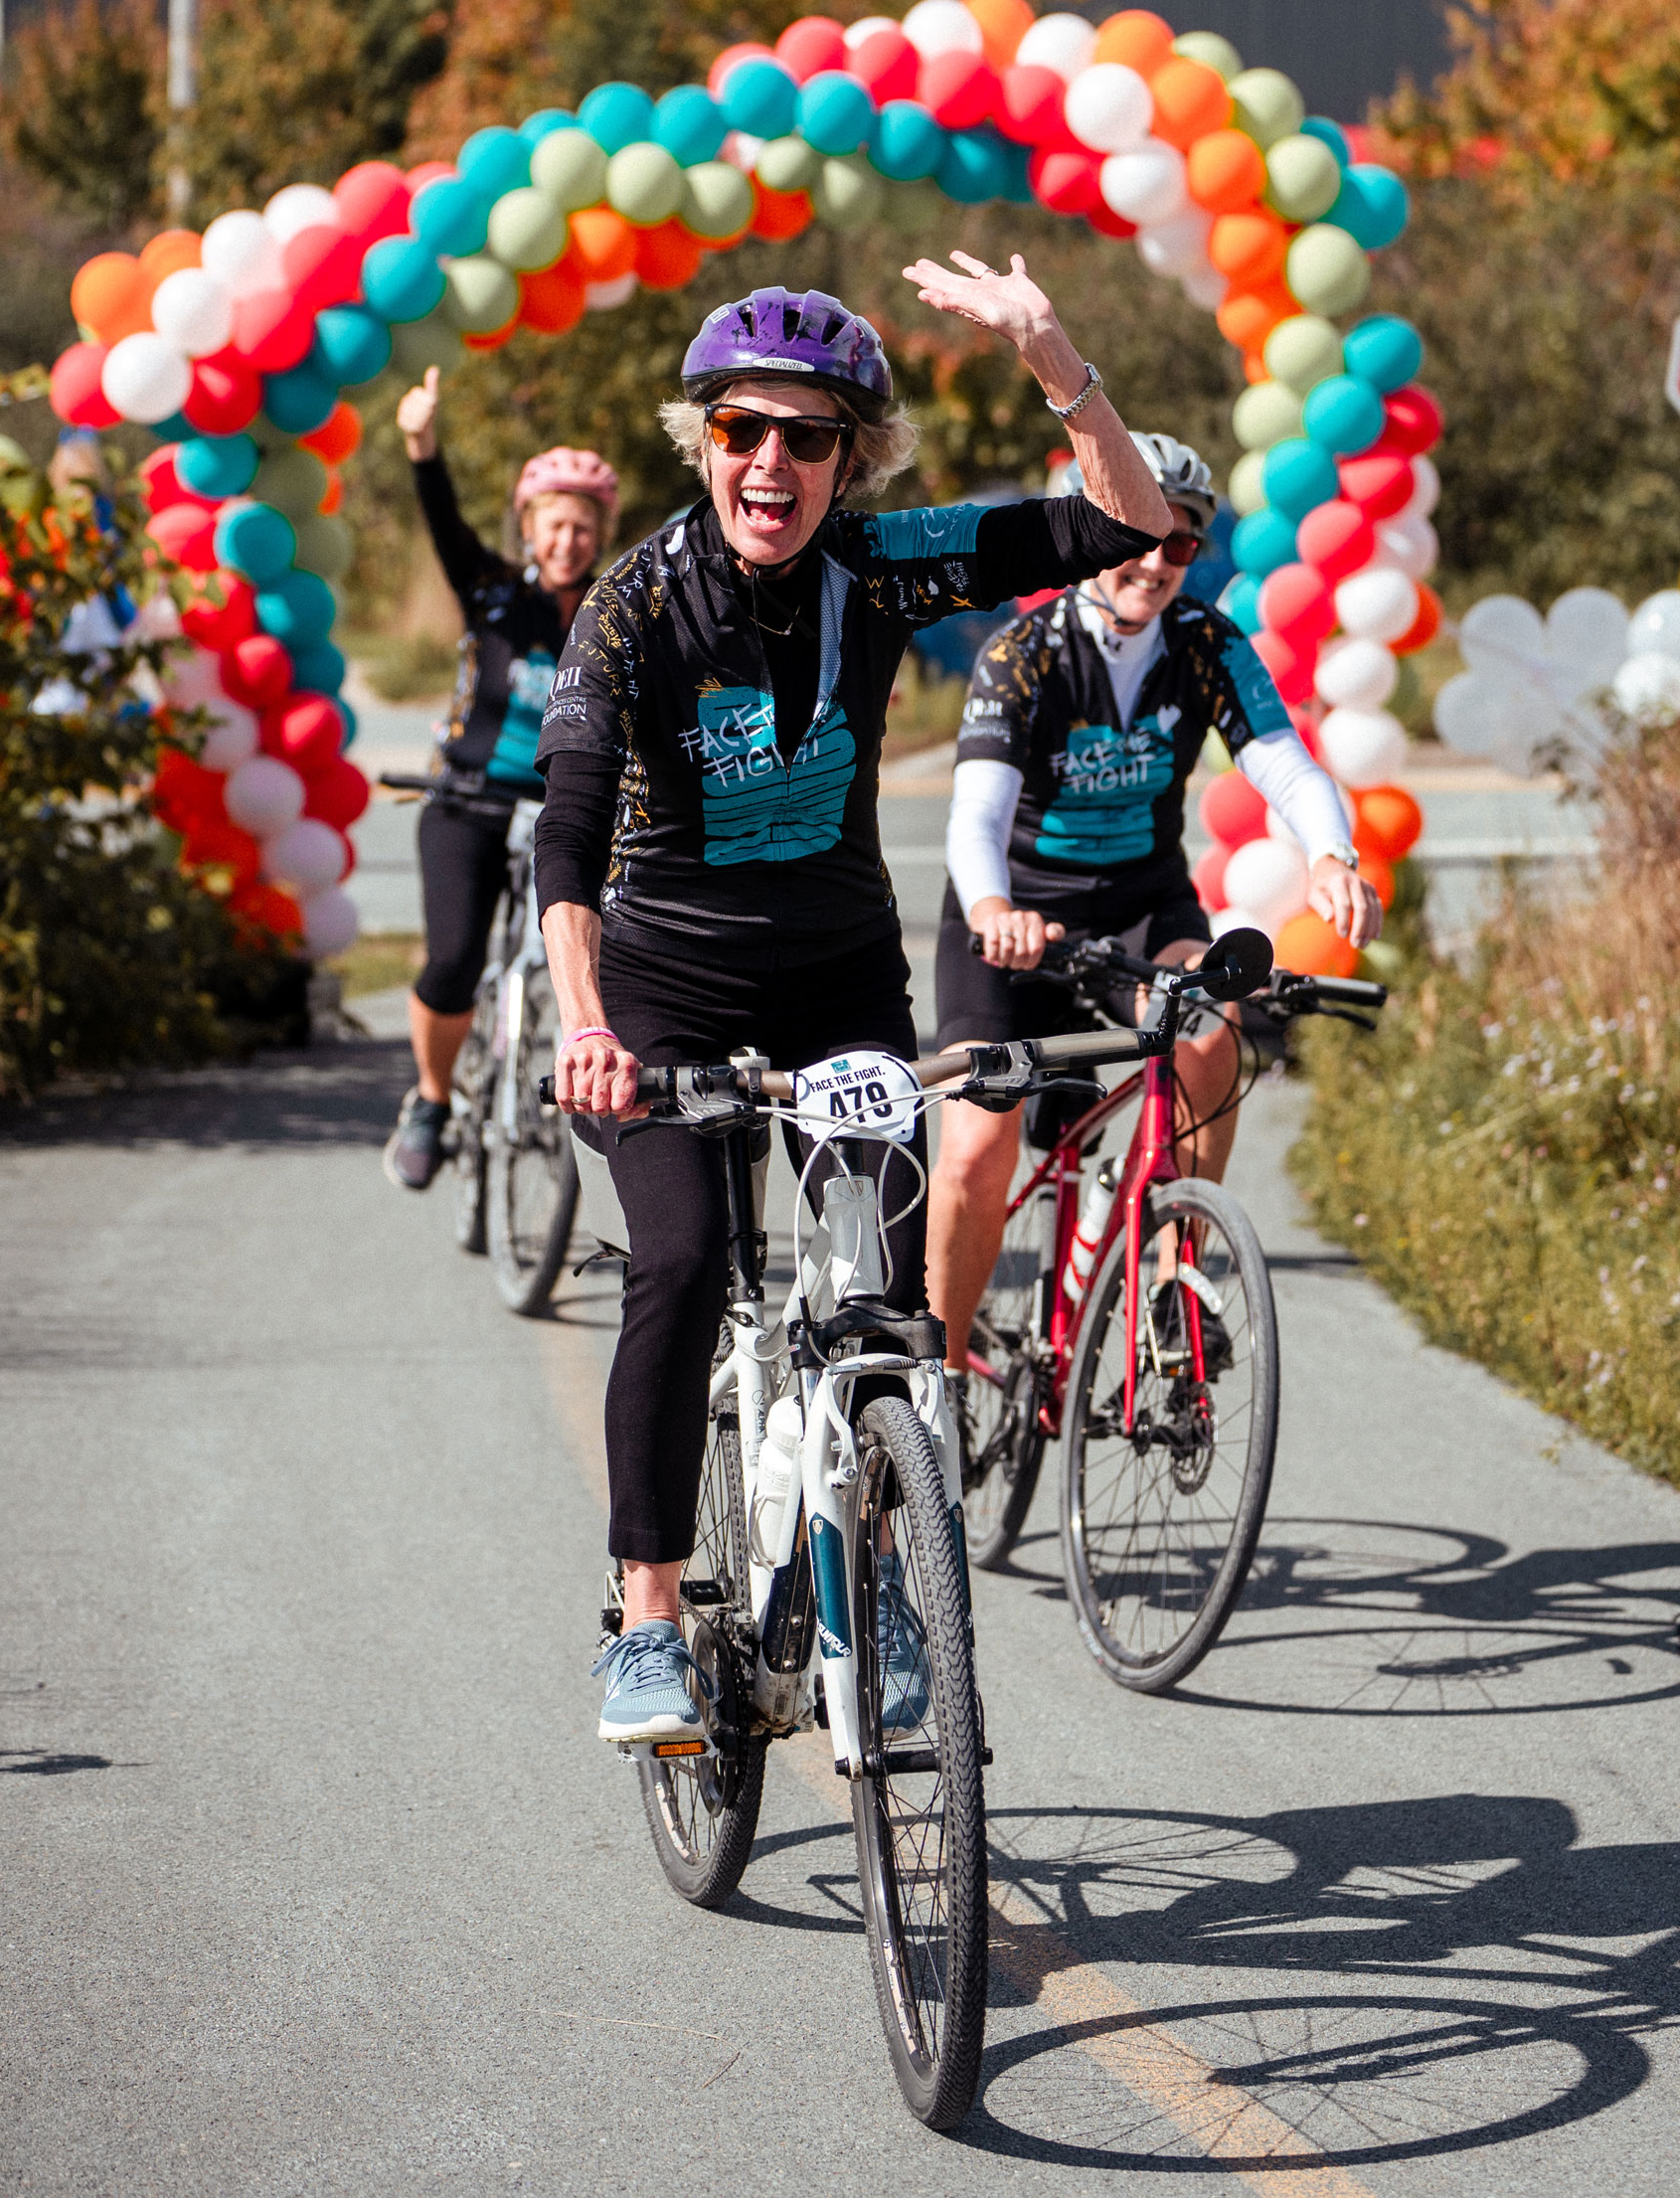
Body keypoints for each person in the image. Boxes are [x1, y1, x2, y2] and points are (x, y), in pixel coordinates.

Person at [535, 258, 1184, 1744]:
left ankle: (877, 1581)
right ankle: (647, 1611)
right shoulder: (632, 608)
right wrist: (586, 1028)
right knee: (686, 1261)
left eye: (809, 436)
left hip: (838, 984)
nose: (773, 462)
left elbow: (1133, 521)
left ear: (851, 458)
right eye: (745, 430)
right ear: (703, 440)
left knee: (886, 1318)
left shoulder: (885, 570)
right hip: (657, 994)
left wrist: (1049, 350)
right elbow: (566, 840)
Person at [924, 433, 1382, 1376]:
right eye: (1131, 535)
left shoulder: (1204, 643)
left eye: (1178, 543)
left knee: (1211, 1039)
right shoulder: (1026, 653)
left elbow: (1281, 761)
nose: (1153, 561)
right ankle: (938, 1357)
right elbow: (976, 816)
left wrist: (1333, 856)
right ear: (1083, 537)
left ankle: (1177, 1271)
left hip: (1140, 905)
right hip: (1013, 922)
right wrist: (993, 909)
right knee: (975, 1153)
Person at [383, 368, 619, 1191]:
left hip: (567, 814)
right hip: (469, 803)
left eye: (584, 530)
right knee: (451, 960)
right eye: (555, 526)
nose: (568, 543)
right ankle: (432, 1098)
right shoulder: (488, 590)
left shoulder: (618, 610)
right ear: (531, 528)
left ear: (599, 536)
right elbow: (443, 521)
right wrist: (421, 444)